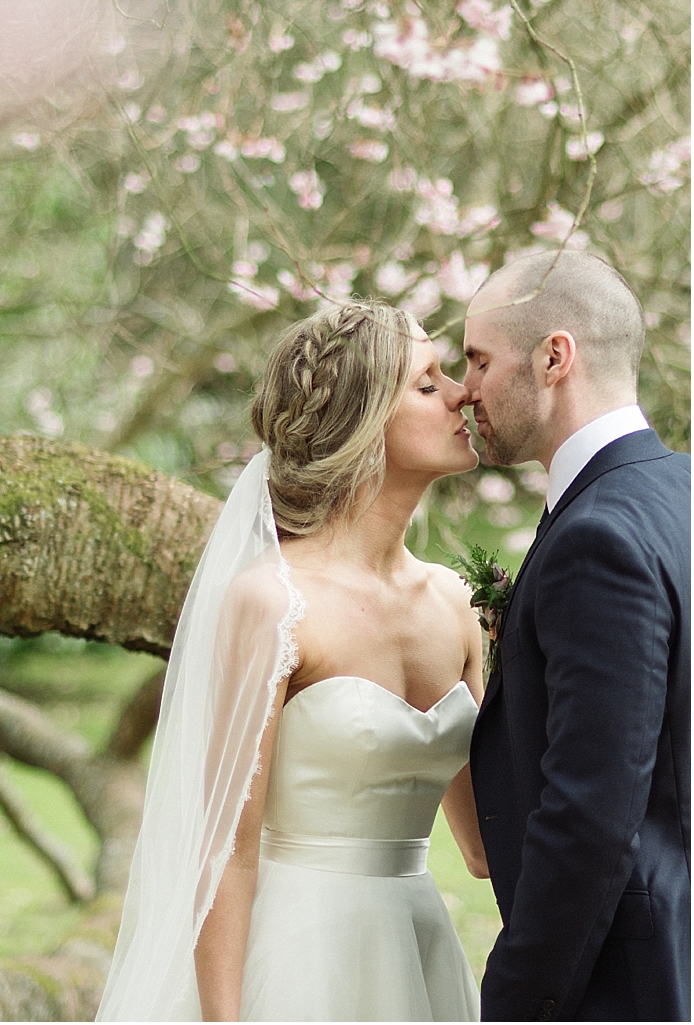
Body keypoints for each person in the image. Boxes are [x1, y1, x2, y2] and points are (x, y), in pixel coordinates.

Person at [99, 300, 488, 1021]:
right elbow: (224, 851)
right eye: (428, 384)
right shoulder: (270, 602)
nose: (462, 391)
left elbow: (482, 846)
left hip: (418, 952)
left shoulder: (458, 601)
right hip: (298, 961)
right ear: (362, 423)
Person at [462, 251, 690, 1021]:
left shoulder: (599, 538)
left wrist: (517, 998)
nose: (464, 390)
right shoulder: (676, 491)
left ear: (554, 357)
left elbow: (589, 817)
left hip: (623, 984)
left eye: (478, 360)